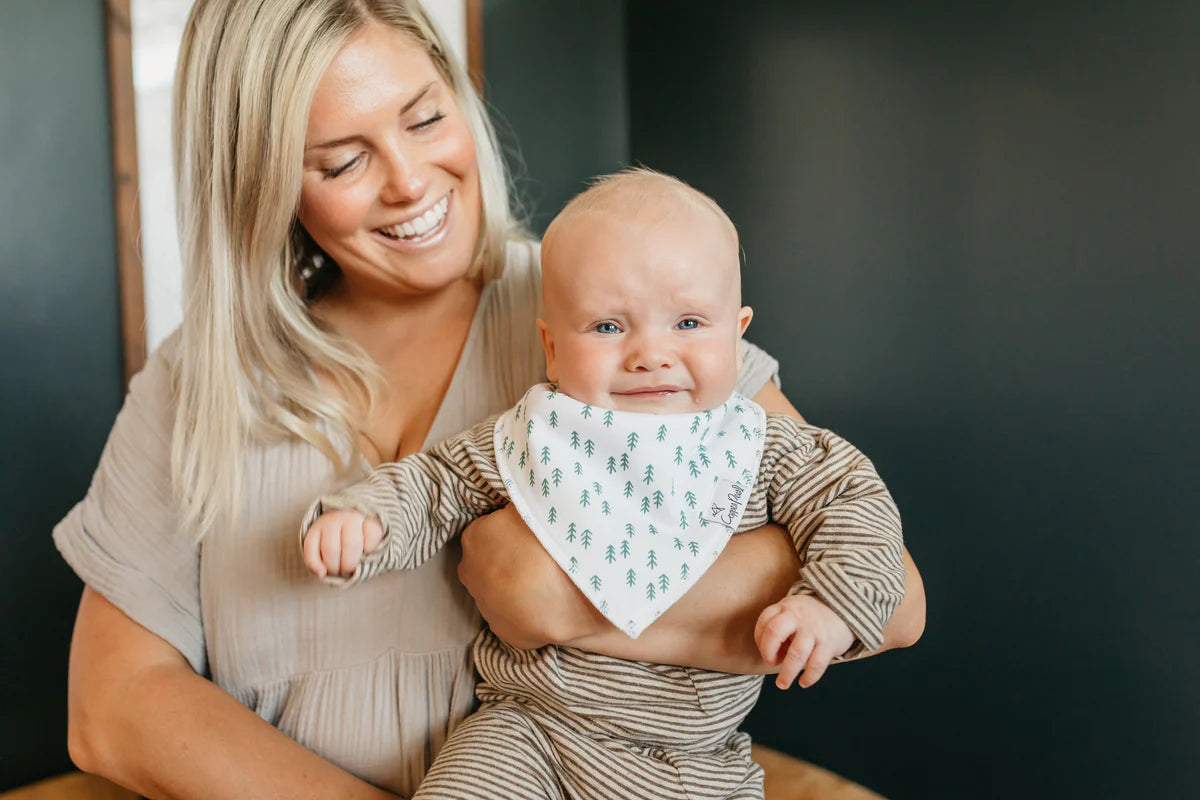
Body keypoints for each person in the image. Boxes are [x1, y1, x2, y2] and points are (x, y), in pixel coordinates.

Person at [52, 2, 925, 798]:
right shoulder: (198, 379)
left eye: (426, 117)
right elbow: (114, 702)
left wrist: (558, 594)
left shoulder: (617, 316)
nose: (409, 180)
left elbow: (894, 604)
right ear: (265, 184)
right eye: (344, 160)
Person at [299, 168, 907, 800]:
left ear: (739, 333)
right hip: (530, 735)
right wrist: (367, 519)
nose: (650, 353)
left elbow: (854, 504)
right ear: (553, 348)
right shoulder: (538, 434)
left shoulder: (766, 446)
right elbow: (438, 482)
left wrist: (830, 606)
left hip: (693, 764)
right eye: (609, 327)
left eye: (690, 323)